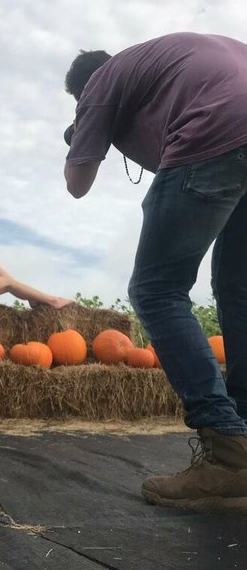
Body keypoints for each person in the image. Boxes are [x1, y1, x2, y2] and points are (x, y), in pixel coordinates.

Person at [64, 32, 247, 514]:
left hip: (217, 130)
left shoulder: (100, 84)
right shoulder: (165, 61)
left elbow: (77, 183)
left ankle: (228, 451)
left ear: (83, 90)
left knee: (156, 289)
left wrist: (84, 128)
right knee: (239, 290)